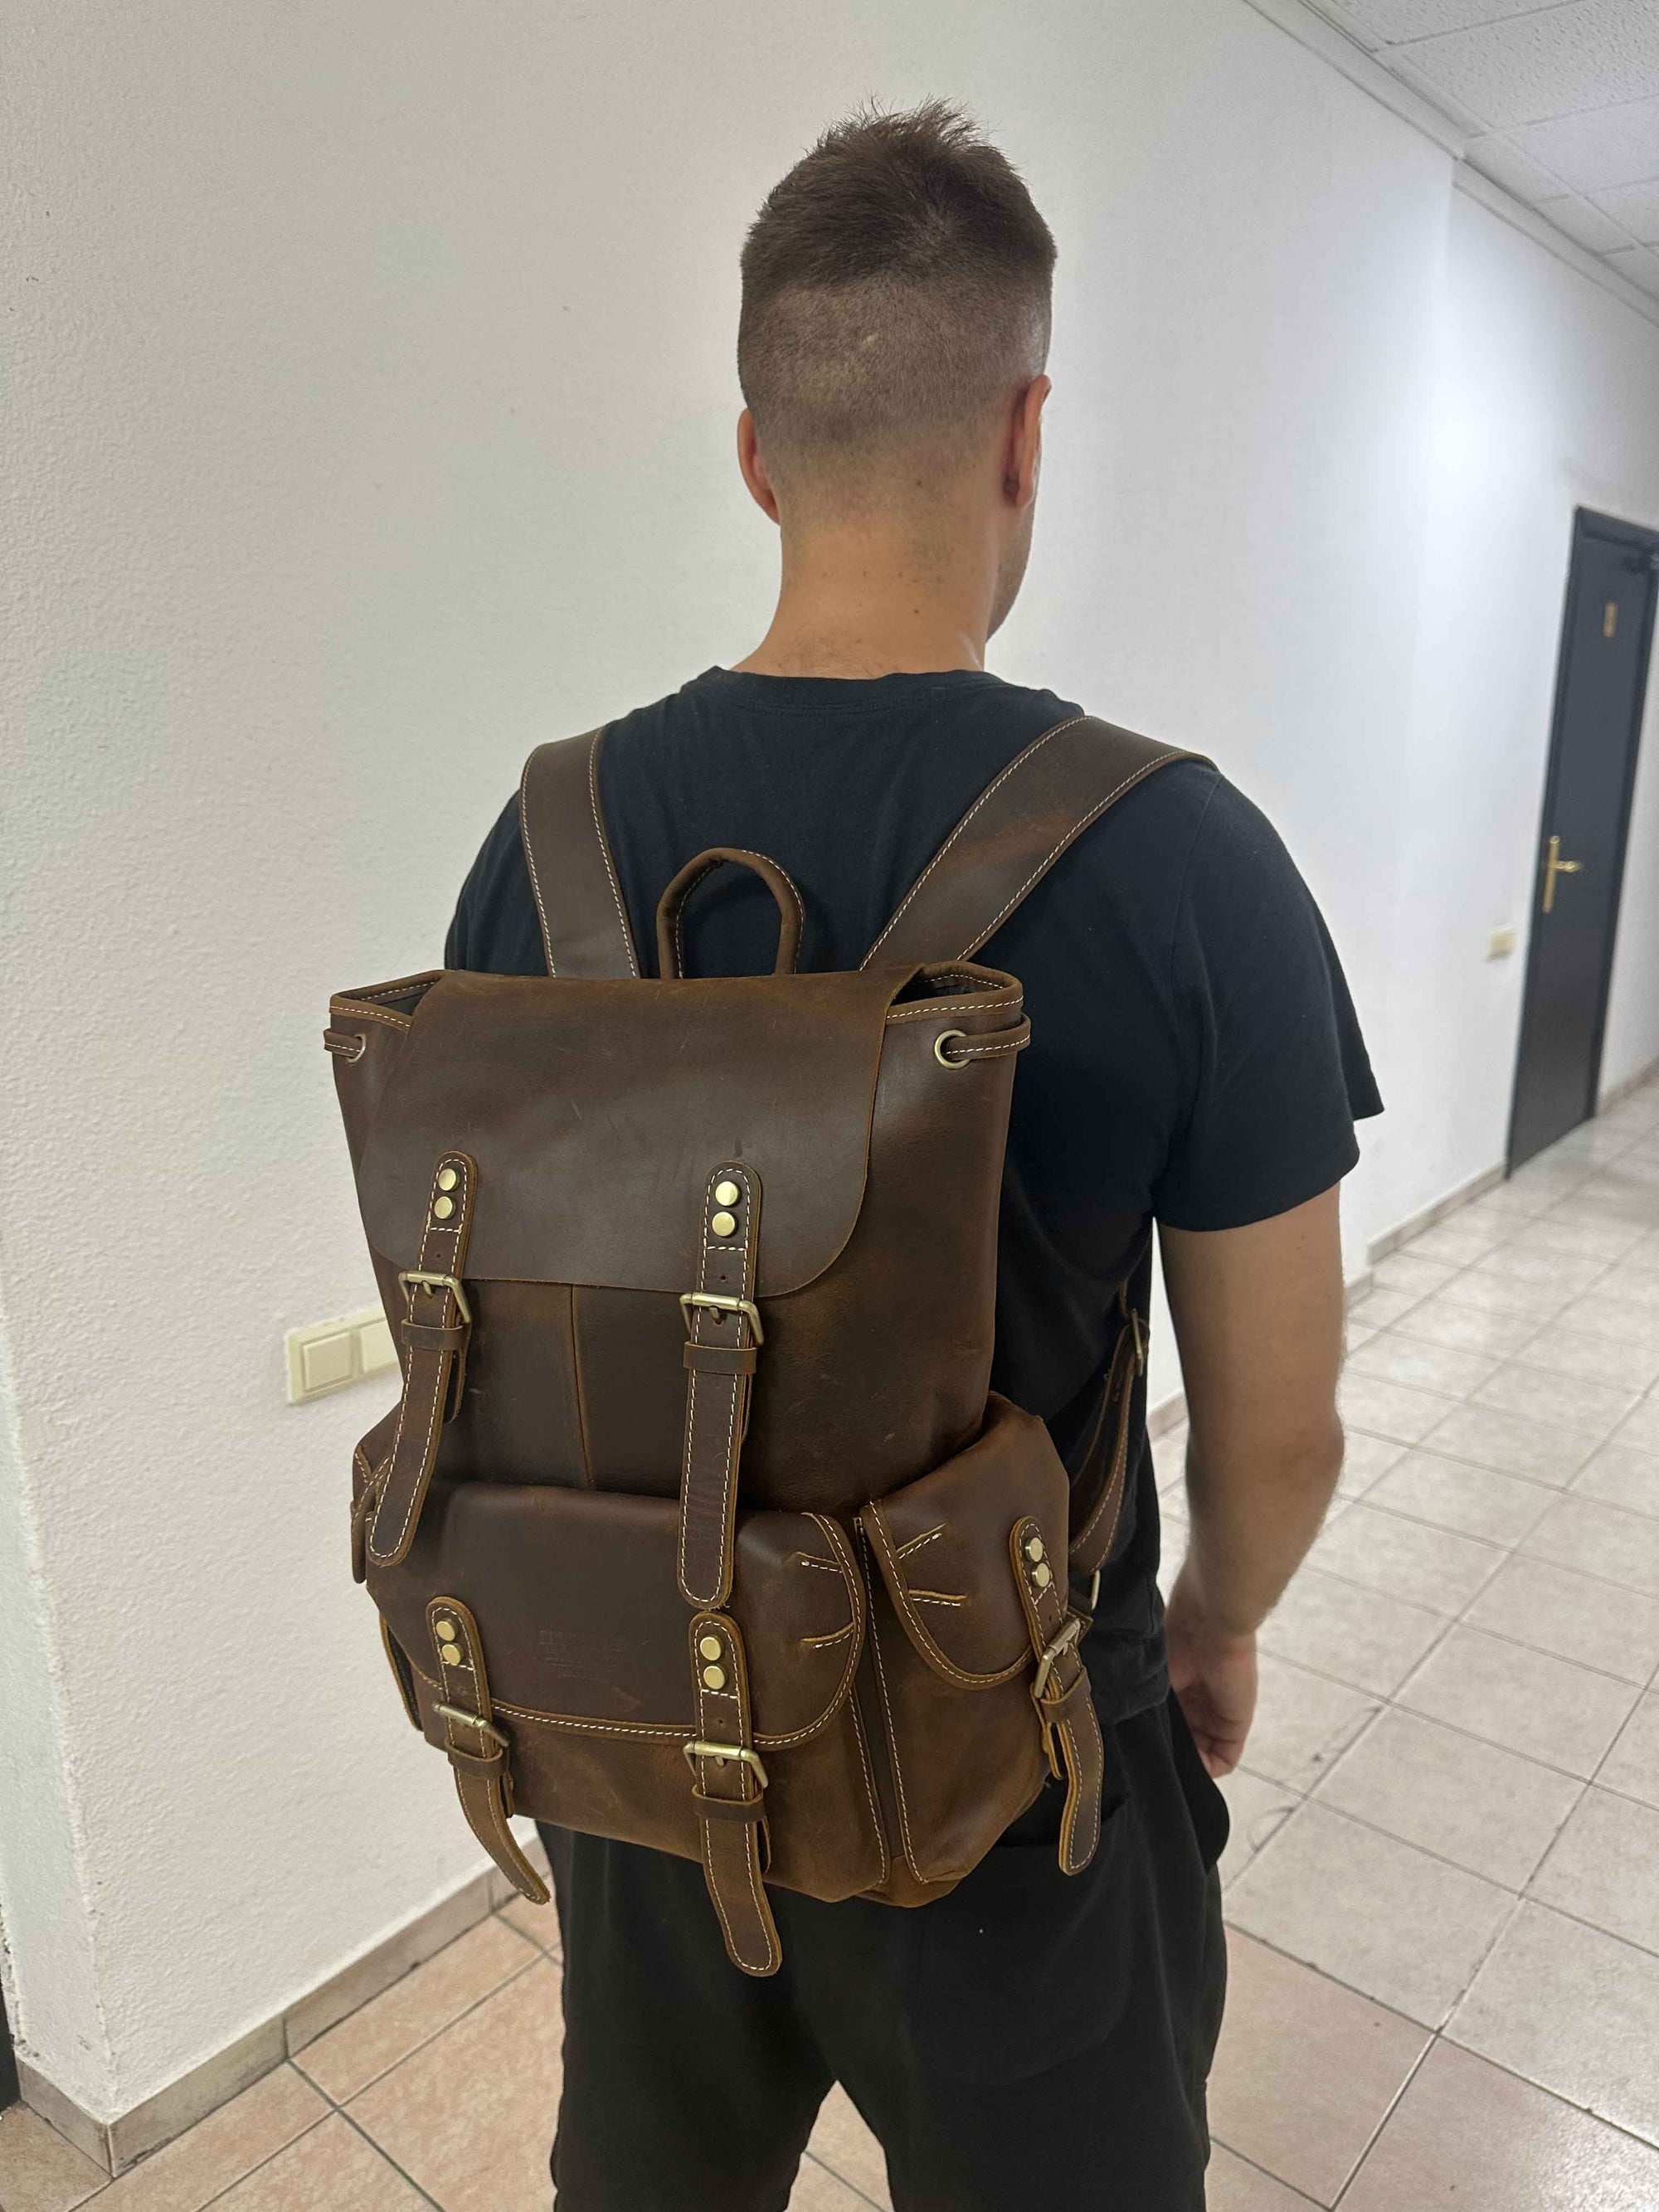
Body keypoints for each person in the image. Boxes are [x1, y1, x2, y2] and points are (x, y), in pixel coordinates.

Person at [446, 97, 1379, 2212]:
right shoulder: (1186, 860)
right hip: (1024, 1770)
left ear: (757, 451)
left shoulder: (545, 842)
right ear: (1026, 430)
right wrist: (1216, 1624)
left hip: (660, 1738)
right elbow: (1282, 1424)